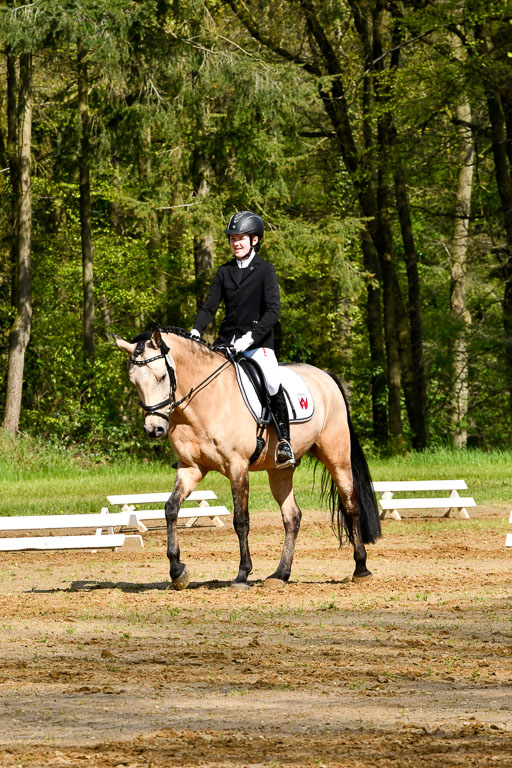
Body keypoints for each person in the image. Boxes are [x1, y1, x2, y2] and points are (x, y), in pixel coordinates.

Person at [190, 211, 295, 468]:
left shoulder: (265, 270)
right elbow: (209, 308)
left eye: (241, 238)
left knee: (271, 381)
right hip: (226, 344)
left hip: (258, 344)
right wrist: (195, 332)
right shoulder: (224, 272)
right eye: (232, 239)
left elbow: (272, 312)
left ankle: (284, 443)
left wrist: (250, 338)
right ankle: (197, 445)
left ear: (254, 240)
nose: (236, 243)